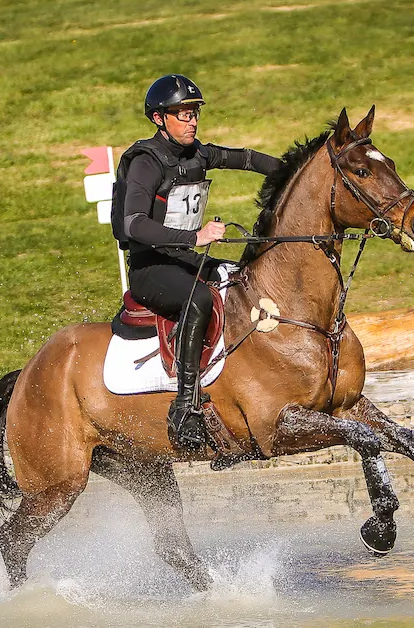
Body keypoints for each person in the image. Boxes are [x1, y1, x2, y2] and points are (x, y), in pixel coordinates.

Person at [112, 74, 281, 450]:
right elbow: (133, 223)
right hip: (150, 269)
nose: (191, 121)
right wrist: (196, 237)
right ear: (159, 119)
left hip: (186, 260)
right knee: (199, 300)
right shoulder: (146, 162)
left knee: (243, 280)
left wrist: (293, 169)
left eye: (194, 114)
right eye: (182, 115)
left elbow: (246, 158)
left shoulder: (197, 153)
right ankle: (185, 408)